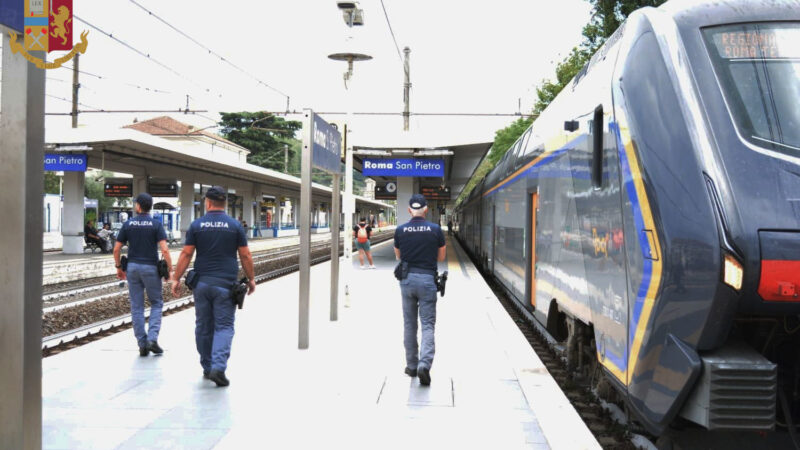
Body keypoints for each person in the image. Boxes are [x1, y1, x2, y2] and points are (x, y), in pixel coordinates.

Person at [170, 186, 256, 387]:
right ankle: (218, 367)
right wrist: (251, 278)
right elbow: (245, 255)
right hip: (225, 285)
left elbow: (186, 254)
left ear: (207, 203)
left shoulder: (197, 225)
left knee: (203, 326)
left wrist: (176, 278)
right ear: (224, 203)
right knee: (224, 326)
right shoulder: (235, 225)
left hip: (202, 284)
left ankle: (208, 367)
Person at [393, 194, 446, 386]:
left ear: (409, 210)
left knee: (409, 324)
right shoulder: (435, 229)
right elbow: (441, 257)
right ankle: (425, 364)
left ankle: (412, 366)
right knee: (427, 324)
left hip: (407, 281)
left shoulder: (400, 230)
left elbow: (398, 255)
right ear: (425, 209)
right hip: (427, 280)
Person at [113, 193, 173, 357]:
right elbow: (165, 249)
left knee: (137, 306)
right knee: (156, 303)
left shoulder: (128, 224)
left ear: (138, 206)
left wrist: (119, 267)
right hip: (150, 268)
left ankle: (142, 344)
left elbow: (116, 249)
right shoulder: (156, 225)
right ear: (150, 207)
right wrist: (169, 269)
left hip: (132, 268)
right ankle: (152, 339)